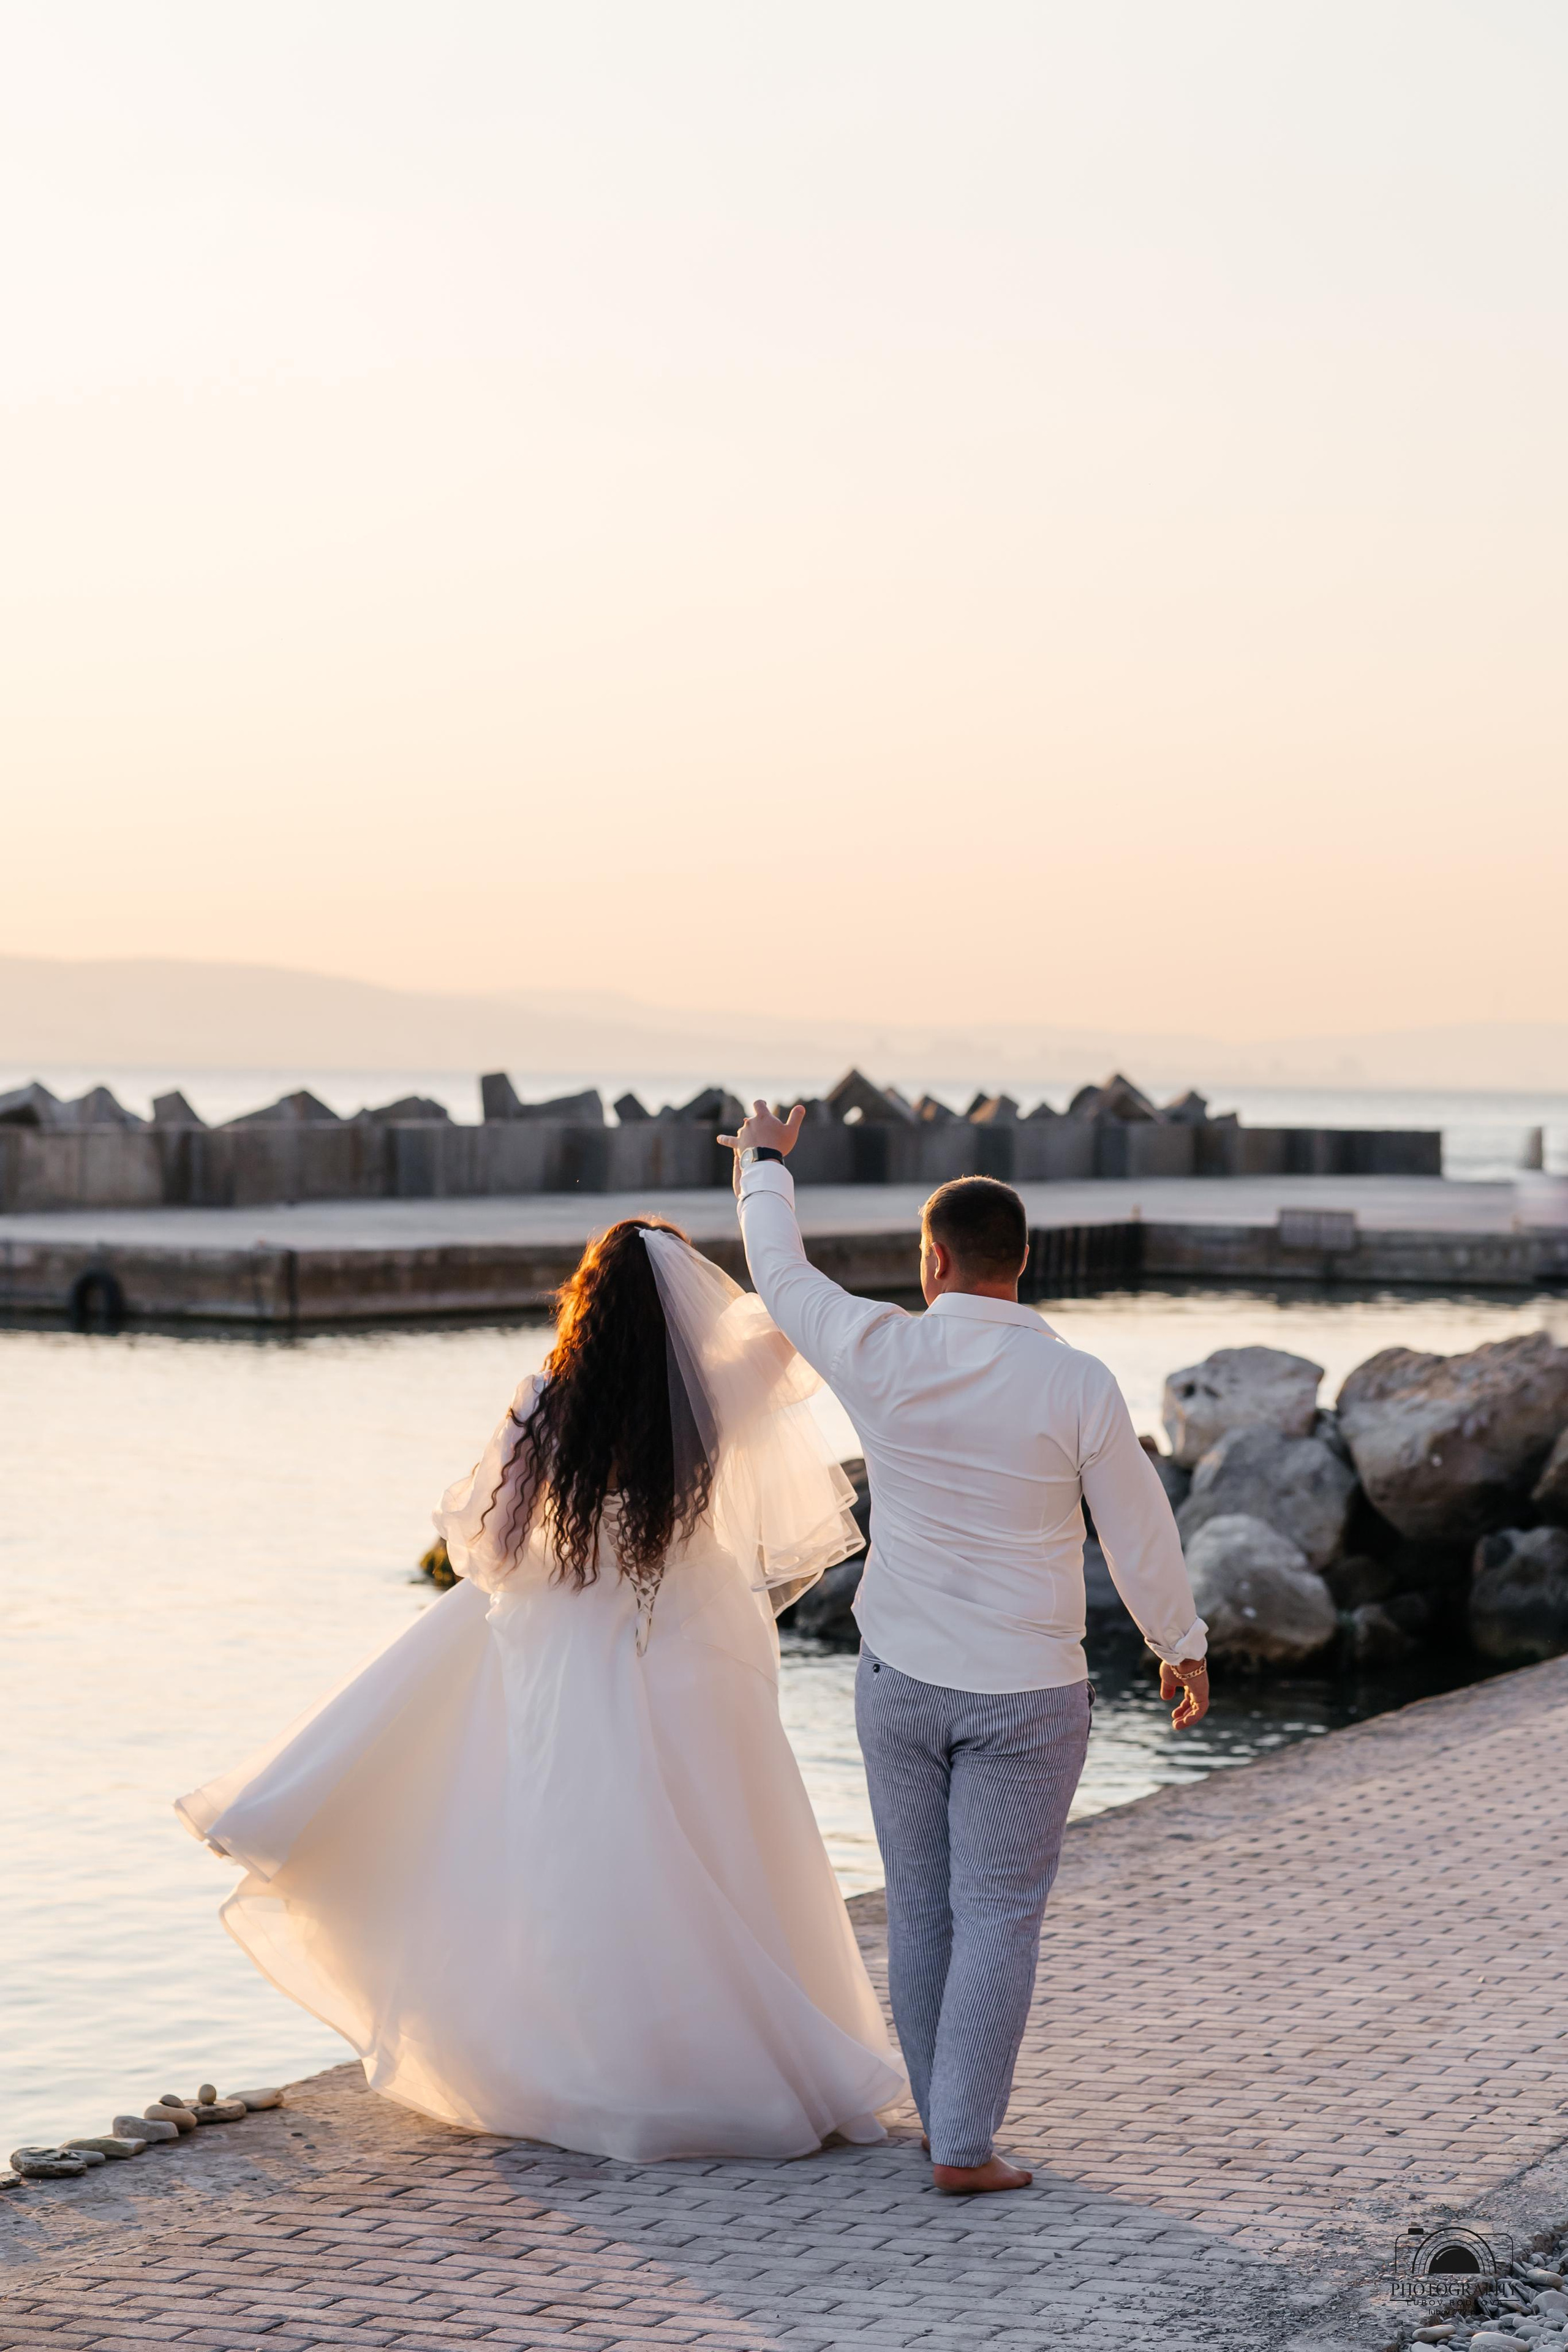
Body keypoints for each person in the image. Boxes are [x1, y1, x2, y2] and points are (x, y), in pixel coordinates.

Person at [176, 1216, 906, 2162]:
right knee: (722, 1852)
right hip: (694, 1647)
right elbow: (786, 1325)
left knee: (593, 1857)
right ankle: (748, 2065)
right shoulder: (719, 1388)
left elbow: (484, 1545)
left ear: (587, 1305)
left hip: (574, 1650)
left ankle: (613, 2066)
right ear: (686, 1310)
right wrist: (756, 1184)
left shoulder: (548, 1402)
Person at [718, 1105, 1209, 2195]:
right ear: (1022, 1264)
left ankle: (947, 2127)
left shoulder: (880, 1348)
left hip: (898, 1681)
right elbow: (1141, 1533)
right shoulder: (1078, 1383)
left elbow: (780, 1272)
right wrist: (1180, 1644)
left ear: (932, 1260)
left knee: (923, 1905)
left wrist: (763, 1164)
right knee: (999, 1914)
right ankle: (961, 2145)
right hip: (1031, 1693)